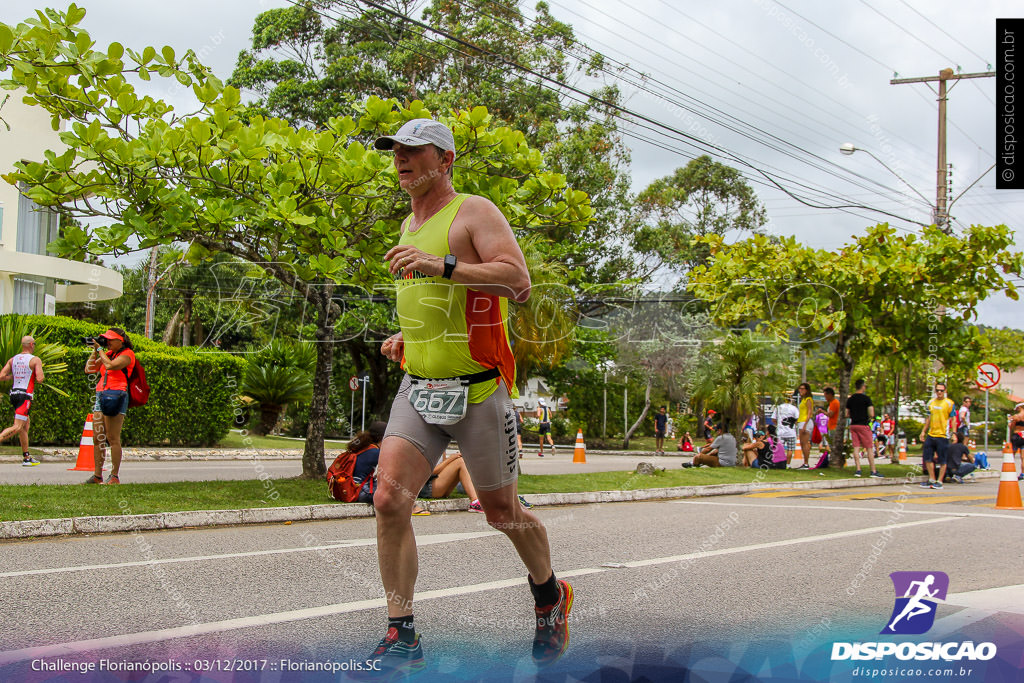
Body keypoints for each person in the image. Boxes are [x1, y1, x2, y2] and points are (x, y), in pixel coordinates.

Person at [370, 118, 571, 674]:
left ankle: (549, 593)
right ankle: (401, 630)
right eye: (396, 152)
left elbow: (517, 281)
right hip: (419, 390)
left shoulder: (474, 212)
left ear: (446, 159)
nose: (402, 160)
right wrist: (407, 338)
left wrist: (444, 264)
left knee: (502, 513)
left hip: (478, 392)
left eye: (414, 151)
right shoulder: (410, 226)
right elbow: (436, 306)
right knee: (388, 500)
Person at [83, 329, 136, 485]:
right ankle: (97, 475)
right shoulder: (108, 353)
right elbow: (89, 369)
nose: (109, 342)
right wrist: (95, 351)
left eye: (111, 340)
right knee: (97, 437)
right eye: (107, 340)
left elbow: (111, 366)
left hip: (116, 395)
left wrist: (100, 350)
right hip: (101, 394)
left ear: (121, 341)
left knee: (112, 438)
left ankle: (114, 475)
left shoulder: (127, 354)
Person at [0, 336, 44, 466]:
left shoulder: (13, 359)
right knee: (18, 426)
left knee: (25, 426)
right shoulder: (35, 360)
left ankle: (26, 457)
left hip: (14, 394)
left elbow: (2, 376)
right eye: (34, 344)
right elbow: (40, 378)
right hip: (25, 395)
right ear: (31, 344)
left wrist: (13, 376)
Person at [919, 382, 955, 489]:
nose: (939, 392)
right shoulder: (931, 403)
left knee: (942, 459)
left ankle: (940, 481)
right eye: (937, 390)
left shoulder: (949, 403)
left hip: (943, 435)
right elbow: (928, 419)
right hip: (931, 434)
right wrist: (923, 432)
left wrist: (954, 433)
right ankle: (932, 478)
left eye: (941, 390)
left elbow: (953, 420)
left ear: (945, 391)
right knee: (928, 458)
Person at [418, 452, 482, 511]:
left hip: (439, 487)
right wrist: (451, 458)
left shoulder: (442, 445)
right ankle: (475, 502)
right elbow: (429, 472)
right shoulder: (425, 446)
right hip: (428, 487)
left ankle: (477, 500)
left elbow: (443, 465)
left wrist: (452, 459)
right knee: (460, 462)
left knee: (460, 459)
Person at [845, 378, 880, 478]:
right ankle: (873, 471)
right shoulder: (866, 399)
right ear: (863, 386)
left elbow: (846, 414)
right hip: (864, 425)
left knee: (856, 448)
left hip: (853, 425)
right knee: (869, 448)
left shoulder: (850, 399)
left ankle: (858, 470)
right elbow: (872, 413)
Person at [773, 395, 799, 467]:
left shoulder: (778, 407)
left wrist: (778, 424)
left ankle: (780, 464)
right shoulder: (794, 408)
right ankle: (788, 464)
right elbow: (797, 419)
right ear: (790, 400)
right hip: (791, 432)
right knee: (790, 449)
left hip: (780, 432)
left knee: (780, 448)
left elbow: (773, 418)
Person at [795, 383, 814, 469]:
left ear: (807, 390)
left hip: (805, 422)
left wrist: (805, 425)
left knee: (805, 443)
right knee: (802, 443)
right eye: (800, 389)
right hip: (801, 421)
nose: (801, 390)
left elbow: (809, 412)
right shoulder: (803, 400)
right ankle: (805, 462)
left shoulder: (808, 399)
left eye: (802, 389)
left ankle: (806, 463)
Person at [824, 386, 840, 453]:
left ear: (830, 394)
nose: (825, 398)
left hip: (834, 427)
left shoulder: (834, 402)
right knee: (831, 445)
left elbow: (830, 414)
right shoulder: (831, 403)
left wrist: (822, 411)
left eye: (825, 396)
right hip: (831, 426)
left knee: (833, 445)